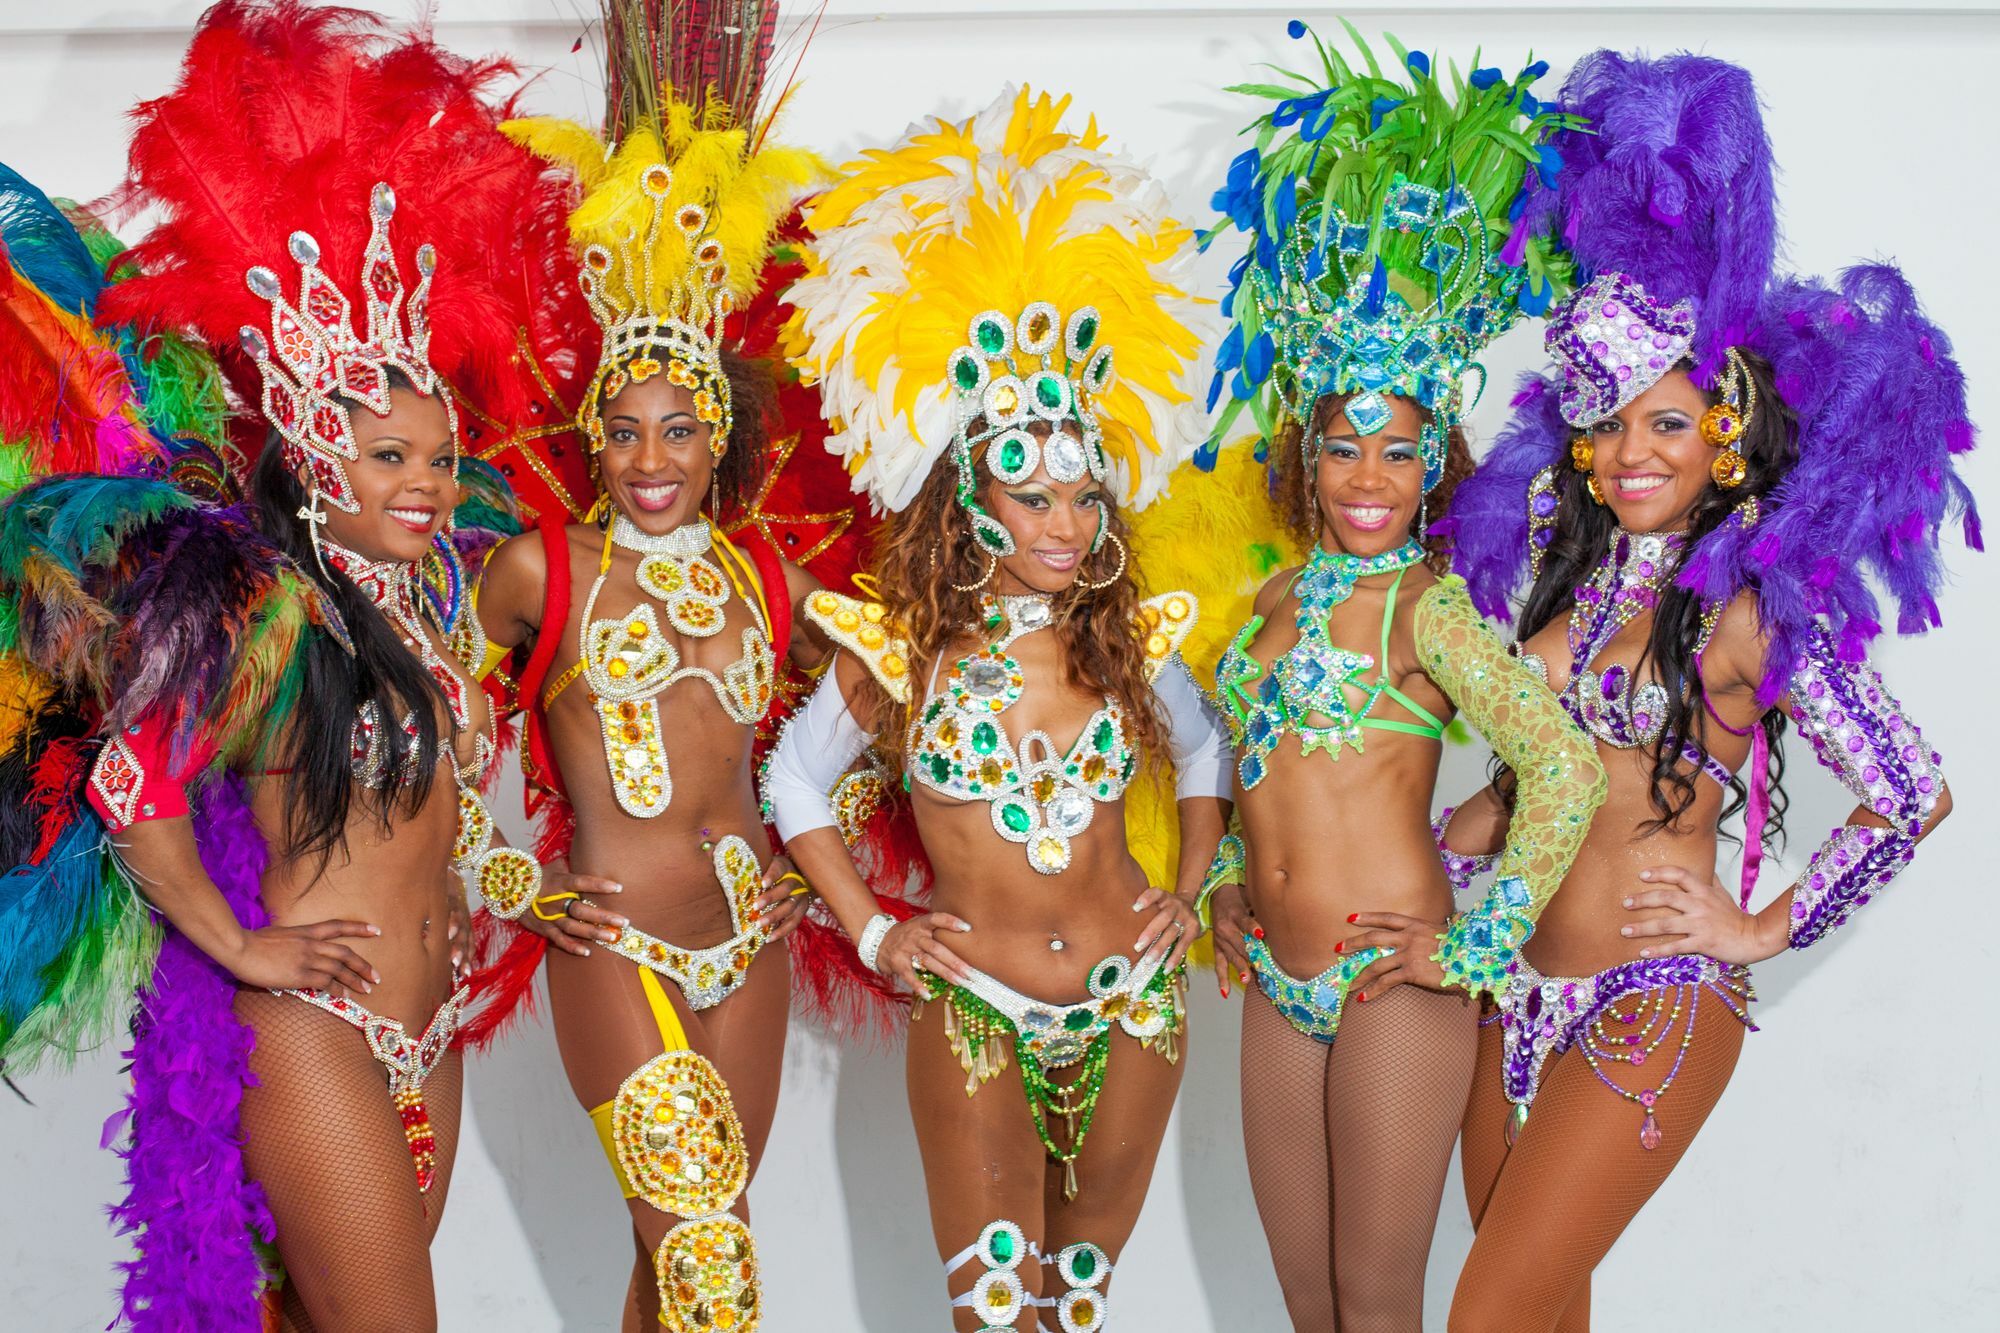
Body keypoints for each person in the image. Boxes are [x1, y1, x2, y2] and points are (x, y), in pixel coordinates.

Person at [0, 4, 548, 1327]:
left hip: (428, 1023)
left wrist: (530, 892)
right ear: (311, 456)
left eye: (438, 458)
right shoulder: (266, 611)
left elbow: (442, 812)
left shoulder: (441, 600)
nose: (427, 485)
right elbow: (134, 777)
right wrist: (238, 942)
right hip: (317, 1027)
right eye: (389, 458)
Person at [1436, 50, 1973, 1331]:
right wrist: (1451, 842)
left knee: (1481, 1318)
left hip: (1650, 1002)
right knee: (1538, 1314)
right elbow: (1545, 771)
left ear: (1722, 434)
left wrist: (1757, 927)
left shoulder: (1745, 611)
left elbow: (1911, 790)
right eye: (1609, 424)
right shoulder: (1565, 578)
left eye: (1664, 424)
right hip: (1510, 992)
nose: (1630, 452)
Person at [767, 86, 1228, 1332]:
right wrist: (874, 931)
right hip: (975, 1005)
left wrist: (1187, 889)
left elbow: (1204, 752)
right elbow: (792, 781)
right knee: (992, 1312)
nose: (1065, 525)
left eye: (1083, 499)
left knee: (1075, 1307)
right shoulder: (898, 652)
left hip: (1135, 1001)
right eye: (1036, 499)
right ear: (969, 503)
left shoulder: (1126, 639)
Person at [1194, 26, 1606, 1330]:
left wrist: (1475, 940)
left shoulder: (1433, 610)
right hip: (1275, 979)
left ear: (1433, 468)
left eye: (1396, 453)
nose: (1367, 476)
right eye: (1343, 447)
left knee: (1376, 1302)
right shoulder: (1265, 605)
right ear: (1305, 458)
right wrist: (1221, 883)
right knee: (1305, 1298)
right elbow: (1247, 773)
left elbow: (1564, 765)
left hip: (1394, 982)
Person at [464, 8, 832, 1325]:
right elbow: (427, 728)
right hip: (613, 939)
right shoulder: (538, 571)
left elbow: (887, 705)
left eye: (679, 429)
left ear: (717, 436)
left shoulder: (767, 580)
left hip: (750, 940)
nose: (652, 458)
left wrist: (820, 852)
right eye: (624, 431)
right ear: (593, 439)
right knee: (709, 1265)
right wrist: (507, 875)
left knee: (678, 1262)